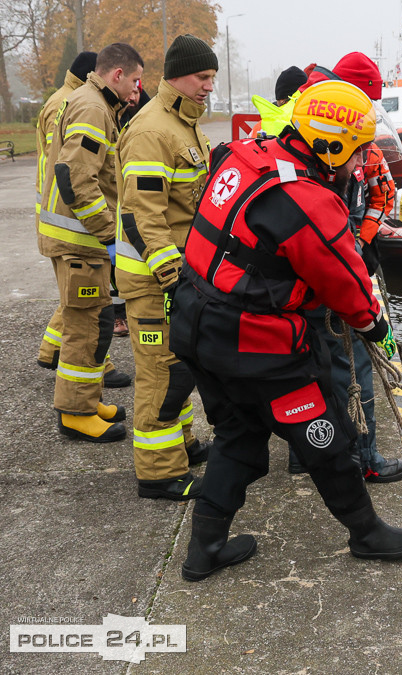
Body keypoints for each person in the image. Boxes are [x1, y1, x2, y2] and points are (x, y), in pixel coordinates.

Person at [169, 79, 402, 581]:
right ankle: (367, 534)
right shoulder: (306, 200)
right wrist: (378, 329)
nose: (361, 165)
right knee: (326, 438)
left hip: (195, 321)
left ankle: (203, 549)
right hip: (254, 344)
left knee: (238, 437)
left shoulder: (245, 154)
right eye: (358, 153)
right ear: (331, 145)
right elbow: (347, 280)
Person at [285, 52, 402, 482]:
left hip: (296, 271)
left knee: (305, 362)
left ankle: (306, 451)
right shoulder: (337, 135)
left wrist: (364, 238)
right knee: (354, 365)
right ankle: (365, 457)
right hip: (326, 267)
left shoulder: (296, 125)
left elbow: (381, 193)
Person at [114, 34, 218, 500]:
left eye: (212, 78)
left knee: (181, 365)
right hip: (154, 279)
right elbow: (143, 215)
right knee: (160, 371)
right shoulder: (152, 131)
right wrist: (173, 277)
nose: (208, 87)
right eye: (202, 77)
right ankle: (159, 472)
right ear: (177, 75)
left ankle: (183, 443)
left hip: (179, 276)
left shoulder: (185, 124)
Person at [38, 42, 144, 442]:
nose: (136, 90)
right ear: (117, 75)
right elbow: (75, 177)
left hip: (78, 238)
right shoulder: (94, 108)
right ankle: (76, 413)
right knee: (86, 329)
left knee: (91, 323)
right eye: (134, 81)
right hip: (80, 240)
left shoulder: (90, 101)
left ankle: (85, 398)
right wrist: (107, 234)